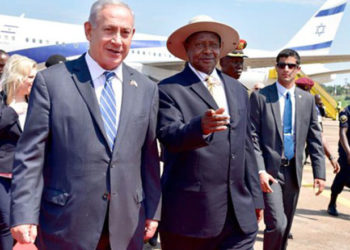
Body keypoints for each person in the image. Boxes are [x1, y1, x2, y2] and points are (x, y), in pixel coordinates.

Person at [10, 1, 161, 249]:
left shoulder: (146, 88)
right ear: (89, 30)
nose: (118, 40)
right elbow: (30, 155)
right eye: (109, 30)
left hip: (127, 224)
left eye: (125, 32)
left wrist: (153, 209)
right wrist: (25, 213)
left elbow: (148, 156)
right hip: (65, 223)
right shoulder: (53, 82)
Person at [157, 15, 264, 250]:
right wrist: (200, 127)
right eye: (199, 45)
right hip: (191, 218)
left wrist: (255, 197)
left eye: (213, 45)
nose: (208, 51)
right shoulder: (168, 89)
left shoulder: (237, 89)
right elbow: (169, 136)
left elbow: (245, 145)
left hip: (238, 216)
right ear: (186, 49)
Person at [250, 49, 325, 250]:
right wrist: (260, 170)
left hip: (293, 171)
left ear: (298, 69)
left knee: (286, 226)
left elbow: (315, 138)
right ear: (276, 67)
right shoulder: (261, 97)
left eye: (290, 65)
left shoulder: (307, 100)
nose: (286, 69)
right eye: (281, 65)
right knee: (277, 224)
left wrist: (320, 173)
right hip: (270, 172)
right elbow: (252, 136)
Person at [0, 54, 36, 250]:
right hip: (3, 176)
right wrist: (13, 111)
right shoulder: (3, 101)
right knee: (7, 223)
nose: (34, 81)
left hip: (26, 177)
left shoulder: (36, 101)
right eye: (30, 76)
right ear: (18, 76)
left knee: (25, 226)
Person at [295, 78, 340, 173]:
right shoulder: (312, 108)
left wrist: (331, 156)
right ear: (308, 90)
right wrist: (331, 156)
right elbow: (319, 134)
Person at [327, 106, 350, 216]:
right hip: (347, 152)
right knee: (342, 177)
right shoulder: (346, 112)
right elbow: (342, 133)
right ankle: (332, 203)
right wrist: (348, 152)